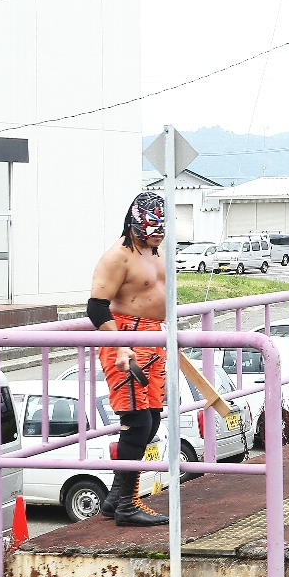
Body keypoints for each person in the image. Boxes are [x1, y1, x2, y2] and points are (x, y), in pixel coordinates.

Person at [87, 191, 231, 527]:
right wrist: (121, 344)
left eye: (161, 230)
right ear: (134, 225)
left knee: (150, 419)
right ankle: (126, 503)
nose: (156, 236)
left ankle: (114, 498)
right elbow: (96, 307)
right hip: (127, 339)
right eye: (149, 230)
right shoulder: (117, 258)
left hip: (154, 338)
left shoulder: (155, 250)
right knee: (136, 422)